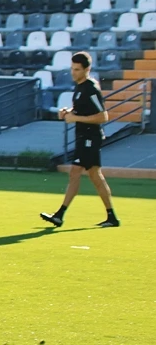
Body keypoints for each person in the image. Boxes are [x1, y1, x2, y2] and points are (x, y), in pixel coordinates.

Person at [40, 52, 120, 228]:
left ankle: (60, 215)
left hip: (90, 138)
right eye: (72, 69)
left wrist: (76, 119)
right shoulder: (79, 87)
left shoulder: (91, 88)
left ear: (87, 69)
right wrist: (68, 112)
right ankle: (111, 216)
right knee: (95, 176)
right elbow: (82, 110)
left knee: (76, 172)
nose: (73, 72)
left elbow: (103, 116)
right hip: (83, 137)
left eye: (77, 69)